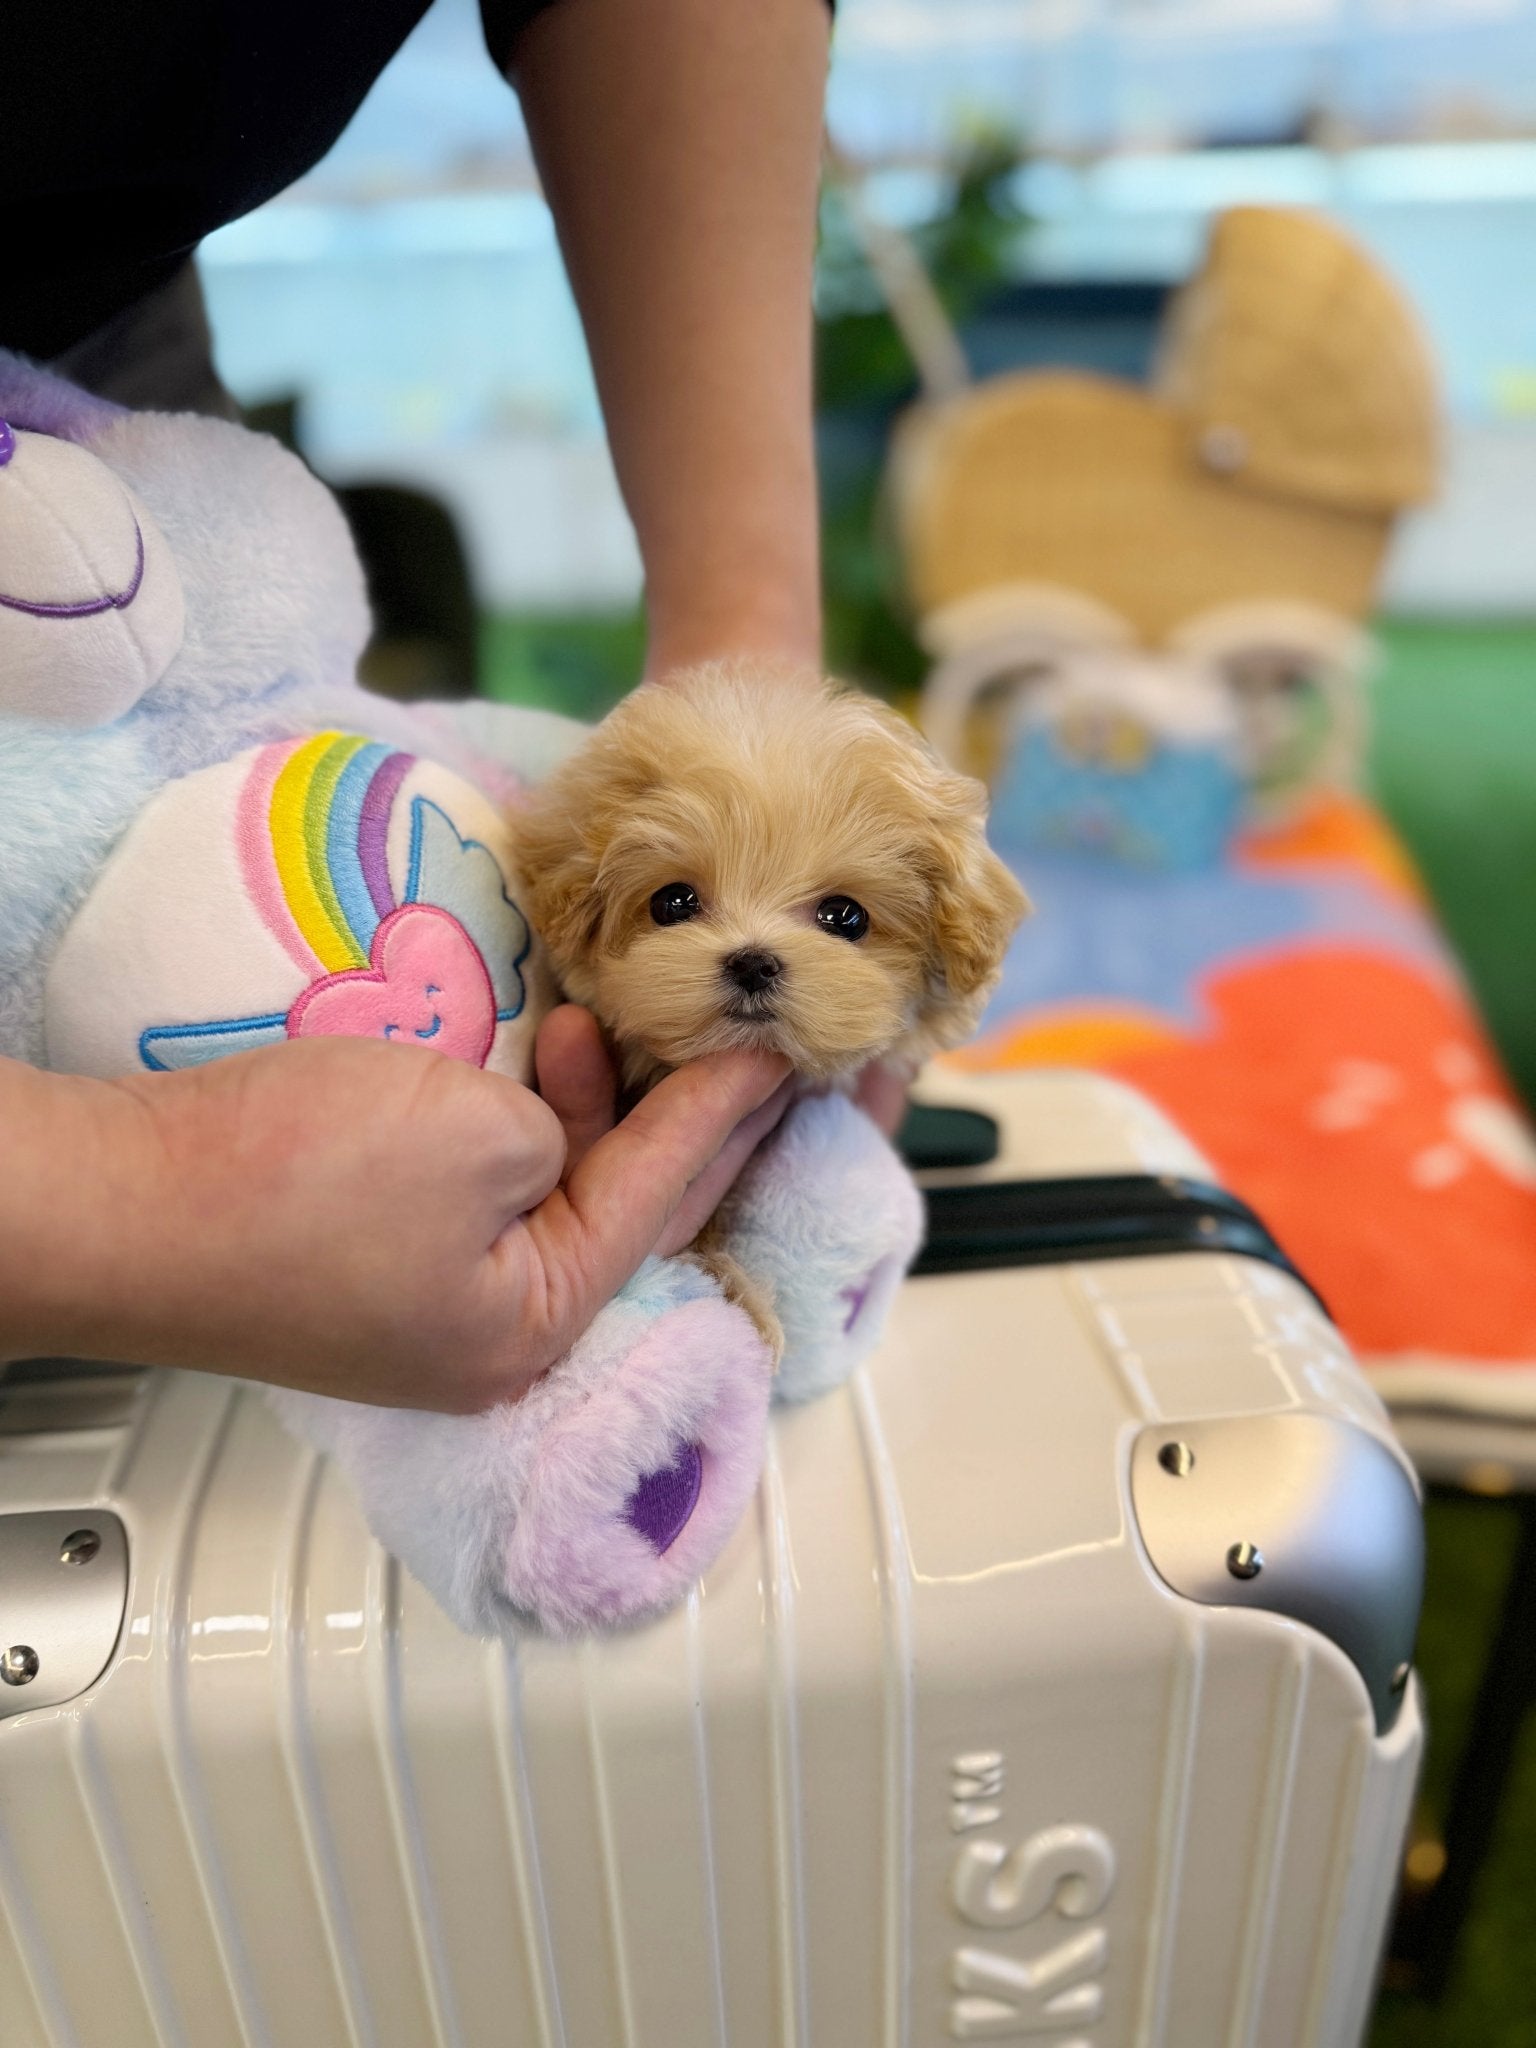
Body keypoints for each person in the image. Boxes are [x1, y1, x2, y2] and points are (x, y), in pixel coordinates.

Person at [0, 0, 909, 1409]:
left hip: (100, 321)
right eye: (678, 901)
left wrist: (745, 635)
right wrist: (134, 1194)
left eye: (836, 916)